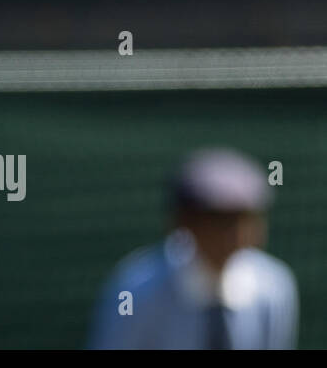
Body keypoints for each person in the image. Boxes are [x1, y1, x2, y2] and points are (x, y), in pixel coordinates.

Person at [88, 147, 298, 349]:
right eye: (220, 220)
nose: (237, 233)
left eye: (246, 218)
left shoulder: (275, 288)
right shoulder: (137, 290)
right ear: (184, 221)